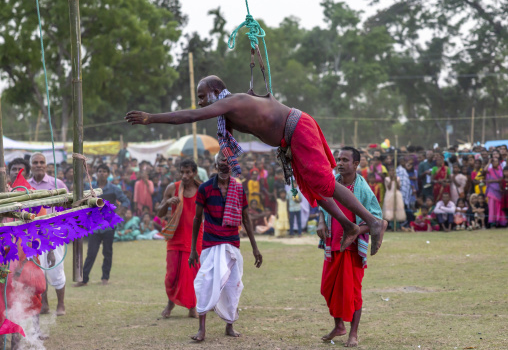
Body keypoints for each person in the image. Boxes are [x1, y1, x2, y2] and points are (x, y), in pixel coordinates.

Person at [126, 75, 388, 255]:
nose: (201, 103)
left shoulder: (232, 101)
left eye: (203, 96)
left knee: (325, 184)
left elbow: (191, 116)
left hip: (297, 128)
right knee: (313, 189)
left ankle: (372, 222)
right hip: (289, 138)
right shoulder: (231, 108)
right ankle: (350, 226)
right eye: (200, 98)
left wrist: (151, 118)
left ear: (217, 93)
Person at [188, 152, 262, 342]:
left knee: (232, 286)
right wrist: (193, 249)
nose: (224, 164)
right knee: (205, 283)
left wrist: (255, 248)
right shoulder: (204, 188)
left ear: (232, 166)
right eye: (221, 161)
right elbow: (197, 218)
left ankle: (230, 324)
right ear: (215, 165)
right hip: (210, 244)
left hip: (232, 243)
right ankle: (201, 329)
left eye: (228, 162)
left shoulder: (238, 188)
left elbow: (246, 218)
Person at [317, 147, 382, 347]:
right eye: (338, 159)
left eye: (345, 160)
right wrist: (320, 222)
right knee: (328, 288)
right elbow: (322, 204)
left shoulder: (363, 188)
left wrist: (356, 232)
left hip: (351, 249)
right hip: (332, 244)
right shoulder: (331, 183)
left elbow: (375, 219)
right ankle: (338, 326)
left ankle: (353, 334)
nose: (340, 163)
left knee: (353, 292)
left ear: (356, 164)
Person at [158, 159, 203, 319]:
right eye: (182, 172)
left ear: (194, 173)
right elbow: (159, 213)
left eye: (188, 172)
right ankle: (170, 303)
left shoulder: (202, 188)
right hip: (175, 237)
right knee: (172, 275)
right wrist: (168, 203)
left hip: (195, 238)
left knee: (192, 274)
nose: (185, 175)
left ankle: (192, 306)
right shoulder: (173, 188)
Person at [74, 164, 130, 287]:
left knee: (107, 252)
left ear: (108, 174)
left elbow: (126, 201)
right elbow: (83, 203)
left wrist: (120, 212)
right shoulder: (91, 188)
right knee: (91, 253)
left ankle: (105, 278)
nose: (102, 173)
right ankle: (84, 279)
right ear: (96, 173)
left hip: (109, 225)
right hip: (94, 226)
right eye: (99, 171)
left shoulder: (114, 189)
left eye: (104, 171)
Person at [28, 153, 68, 316]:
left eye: (41, 162)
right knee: (38, 271)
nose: (38, 165)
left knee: (56, 269)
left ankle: (61, 304)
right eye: (35, 162)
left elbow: (67, 208)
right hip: (33, 236)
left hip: (53, 234)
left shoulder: (57, 184)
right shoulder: (26, 186)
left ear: (46, 165)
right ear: (31, 165)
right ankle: (44, 304)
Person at [485, 158, 507, 228]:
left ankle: (500, 222)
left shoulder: (501, 170)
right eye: (493, 162)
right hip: (492, 191)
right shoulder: (490, 170)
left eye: (496, 161)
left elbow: (501, 179)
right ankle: (493, 223)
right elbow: (485, 170)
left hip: (500, 191)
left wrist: (493, 181)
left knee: (499, 207)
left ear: (498, 162)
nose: (495, 163)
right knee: (492, 207)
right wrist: (489, 162)